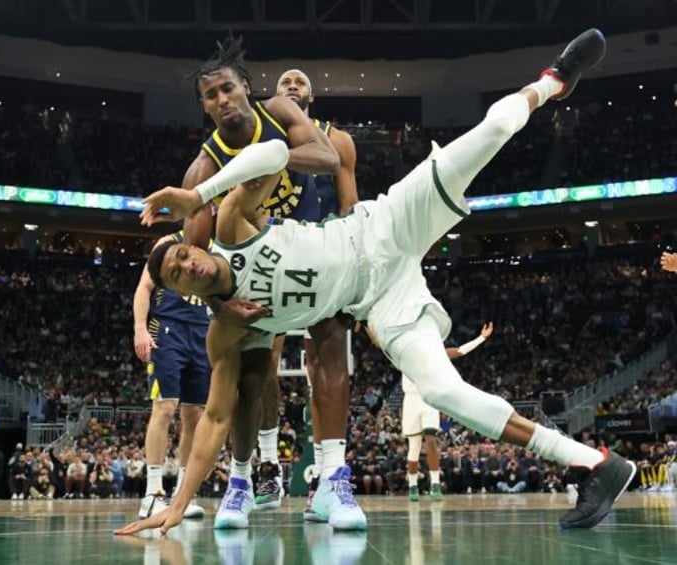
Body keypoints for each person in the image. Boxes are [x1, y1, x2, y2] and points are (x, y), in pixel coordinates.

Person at [117, 28, 636, 536]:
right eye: (177, 270)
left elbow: (275, 157)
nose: (188, 263)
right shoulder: (228, 329)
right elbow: (212, 419)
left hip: (383, 226)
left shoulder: (232, 220)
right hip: (377, 298)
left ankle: (552, 80)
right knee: (441, 390)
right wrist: (178, 502)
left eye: (183, 254)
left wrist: (200, 193)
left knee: (489, 134)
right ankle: (595, 463)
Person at [174, 35, 362, 529]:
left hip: (309, 249)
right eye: (210, 96)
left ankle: (332, 480)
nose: (222, 101)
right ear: (204, 107)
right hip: (255, 270)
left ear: (246, 88)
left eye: (228, 90)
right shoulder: (204, 165)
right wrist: (219, 307)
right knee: (254, 370)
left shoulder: (279, 112)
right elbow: (191, 258)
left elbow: (324, 159)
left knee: (331, 342)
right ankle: (245, 478)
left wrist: (261, 159)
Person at [253, 68, 359, 520]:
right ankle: (267, 465)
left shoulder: (340, 141)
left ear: (311, 95)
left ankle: (329, 478)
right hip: (273, 255)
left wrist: (354, 264)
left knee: (326, 361)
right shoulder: (261, 140)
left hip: (323, 254)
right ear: (275, 98)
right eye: (284, 83)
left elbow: (349, 204)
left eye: (299, 82)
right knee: (262, 367)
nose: (292, 85)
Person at [132, 231, 209, 519]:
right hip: (168, 328)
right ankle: (152, 494)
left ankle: (182, 495)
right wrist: (140, 327)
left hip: (204, 331)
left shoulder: (222, 241)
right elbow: (144, 287)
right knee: (165, 407)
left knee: (195, 415)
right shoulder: (169, 242)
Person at [402, 322, 494, 501]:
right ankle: (412, 485)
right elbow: (380, 344)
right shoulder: (402, 353)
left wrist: (482, 338)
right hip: (411, 401)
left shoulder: (435, 354)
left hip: (428, 399)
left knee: (431, 440)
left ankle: (435, 484)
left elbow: (460, 351)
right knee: (413, 448)